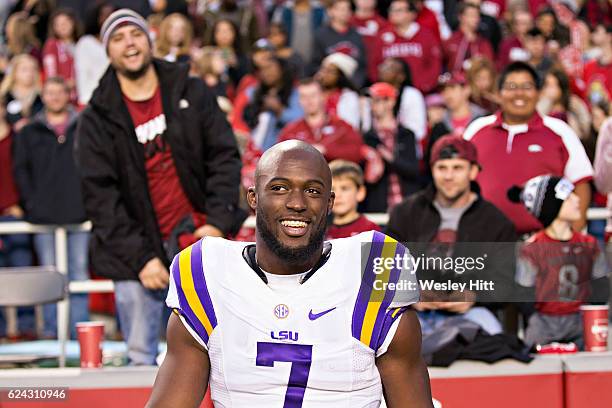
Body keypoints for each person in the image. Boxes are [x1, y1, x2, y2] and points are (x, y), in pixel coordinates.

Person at [147, 140, 433, 408]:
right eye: (280, 188)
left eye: (313, 191)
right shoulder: (207, 271)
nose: (297, 203)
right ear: (254, 198)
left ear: (330, 202)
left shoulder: (374, 267)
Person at [75, 9, 243, 365]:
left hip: (199, 245)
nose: (129, 44)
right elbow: (101, 200)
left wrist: (215, 223)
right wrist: (142, 259)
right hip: (137, 258)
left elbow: (224, 158)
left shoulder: (191, 89)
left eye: (134, 34)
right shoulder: (95, 119)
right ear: (108, 52)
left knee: (221, 357)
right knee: (141, 361)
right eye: (117, 38)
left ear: (150, 39)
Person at [387, 136, 517, 335]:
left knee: (492, 335)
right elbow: (385, 270)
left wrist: (474, 296)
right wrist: (411, 294)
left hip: (474, 313)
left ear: (473, 171)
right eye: (442, 168)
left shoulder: (497, 222)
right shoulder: (405, 213)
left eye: (457, 168)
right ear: (432, 170)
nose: (448, 176)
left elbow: (505, 282)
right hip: (413, 312)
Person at [463, 61, 593, 235]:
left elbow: (581, 184)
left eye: (527, 86)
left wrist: (570, 237)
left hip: (543, 247)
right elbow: (459, 179)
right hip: (485, 241)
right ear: (499, 93)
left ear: (538, 93)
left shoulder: (559, 130)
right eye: (511, 86)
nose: (519, 93)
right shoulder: (477, 129)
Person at [12, 77, 89, 338]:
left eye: (60, 92)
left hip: (80, 214)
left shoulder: (85, 126)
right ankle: (52, 336)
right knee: (49, 274)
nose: (55, 97)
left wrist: (89, 201)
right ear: (42, 96)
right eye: (49, 93)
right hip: (43, 216)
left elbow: (94, 166)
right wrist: (32, 204)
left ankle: (80, 335)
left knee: (78, 274)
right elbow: (21, 171)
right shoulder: (29, 131)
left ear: (68, 94)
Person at [511, 175, 609, 347]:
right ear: (551, 207)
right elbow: (523, 292)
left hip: (580, 320)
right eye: (568, 196)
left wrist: (592, 314)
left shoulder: (589, 244)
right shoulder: (532, 248)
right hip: (544, 322)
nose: (577, 199)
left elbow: (601, 285)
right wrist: (533, 318)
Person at [362, 81, 420, 212]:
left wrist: (386, 155)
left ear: (391, 102)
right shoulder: (368, 138)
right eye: (371, 101)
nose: (373, 106)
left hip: (407, 206)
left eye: (377, 100)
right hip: (378, 207)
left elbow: (413, 170)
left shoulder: (406, 135)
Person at [277, 78, 364, 164]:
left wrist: (326, 150)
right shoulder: (290, 131)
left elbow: (356, 153)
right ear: (299, 100)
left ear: (322, 96)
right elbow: (279, 158)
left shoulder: (341, 127)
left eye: (313, 95)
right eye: (304, 96)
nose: (309, 101)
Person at [376, 0, 443, 94]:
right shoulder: (382, 36)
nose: (393, 13)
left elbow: (435, 65)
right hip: (389, 92)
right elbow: (374, 64)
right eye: (391, 10)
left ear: (412, 14)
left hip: (423, 92)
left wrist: (424, 86)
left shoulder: (426, 35)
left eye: (398, 10)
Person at [312, 0, 367, 87]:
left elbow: (361, 65)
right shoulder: (321, 35)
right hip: (329, 85)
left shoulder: (357, 35)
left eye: (347, 9)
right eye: (341, 9)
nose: (345, 12)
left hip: (353, 84)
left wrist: (355, 85)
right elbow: (315, 64)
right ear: (330, 11)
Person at [327, 159, 381, 239]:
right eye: (332, 189)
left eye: (344, 188)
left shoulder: (372, 231)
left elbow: (389, 252)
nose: (337, 195)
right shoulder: (322, 231)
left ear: (360, 193)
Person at [74, 1, 114, 106]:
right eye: (104, 15)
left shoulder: (122, 42)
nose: (108, 18)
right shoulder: (85, 43)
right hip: (92, 100)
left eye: (111, 14)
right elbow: (82, 74)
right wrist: (85, 100)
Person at [315, 52, 361, 130]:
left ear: (340, 76)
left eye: (329, 71)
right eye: (323, 69)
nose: (324, 74)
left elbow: (351, 126)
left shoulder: (348, 97)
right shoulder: (314, 92)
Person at [443, 2, 493, 73]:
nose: (476, 19)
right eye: (472, 15)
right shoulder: (451, 41)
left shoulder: (484, 44)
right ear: (460, 17)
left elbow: (489, 67)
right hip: (453, 82)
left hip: (476, 82)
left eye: (477, 16)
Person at [42, 9, 81, 100]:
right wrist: (64, 84)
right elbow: (51, 73)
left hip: (81, 95)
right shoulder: (52, 45)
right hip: (62, 96)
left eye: (66, 22)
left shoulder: (81, 44)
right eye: (58, 24)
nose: (63, 26)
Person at [271, 0, 326, 65]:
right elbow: (274, 37)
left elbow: (327, 36)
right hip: (289, 64)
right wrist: (279, 50)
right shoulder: (282, 10)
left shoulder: (320, 11)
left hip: (315, 63)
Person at [0, 54, 44, 131]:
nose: (29, 73)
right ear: (14, 72)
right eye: (24, 69)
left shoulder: (42, 96)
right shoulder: (4, 96)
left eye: (33, 69)